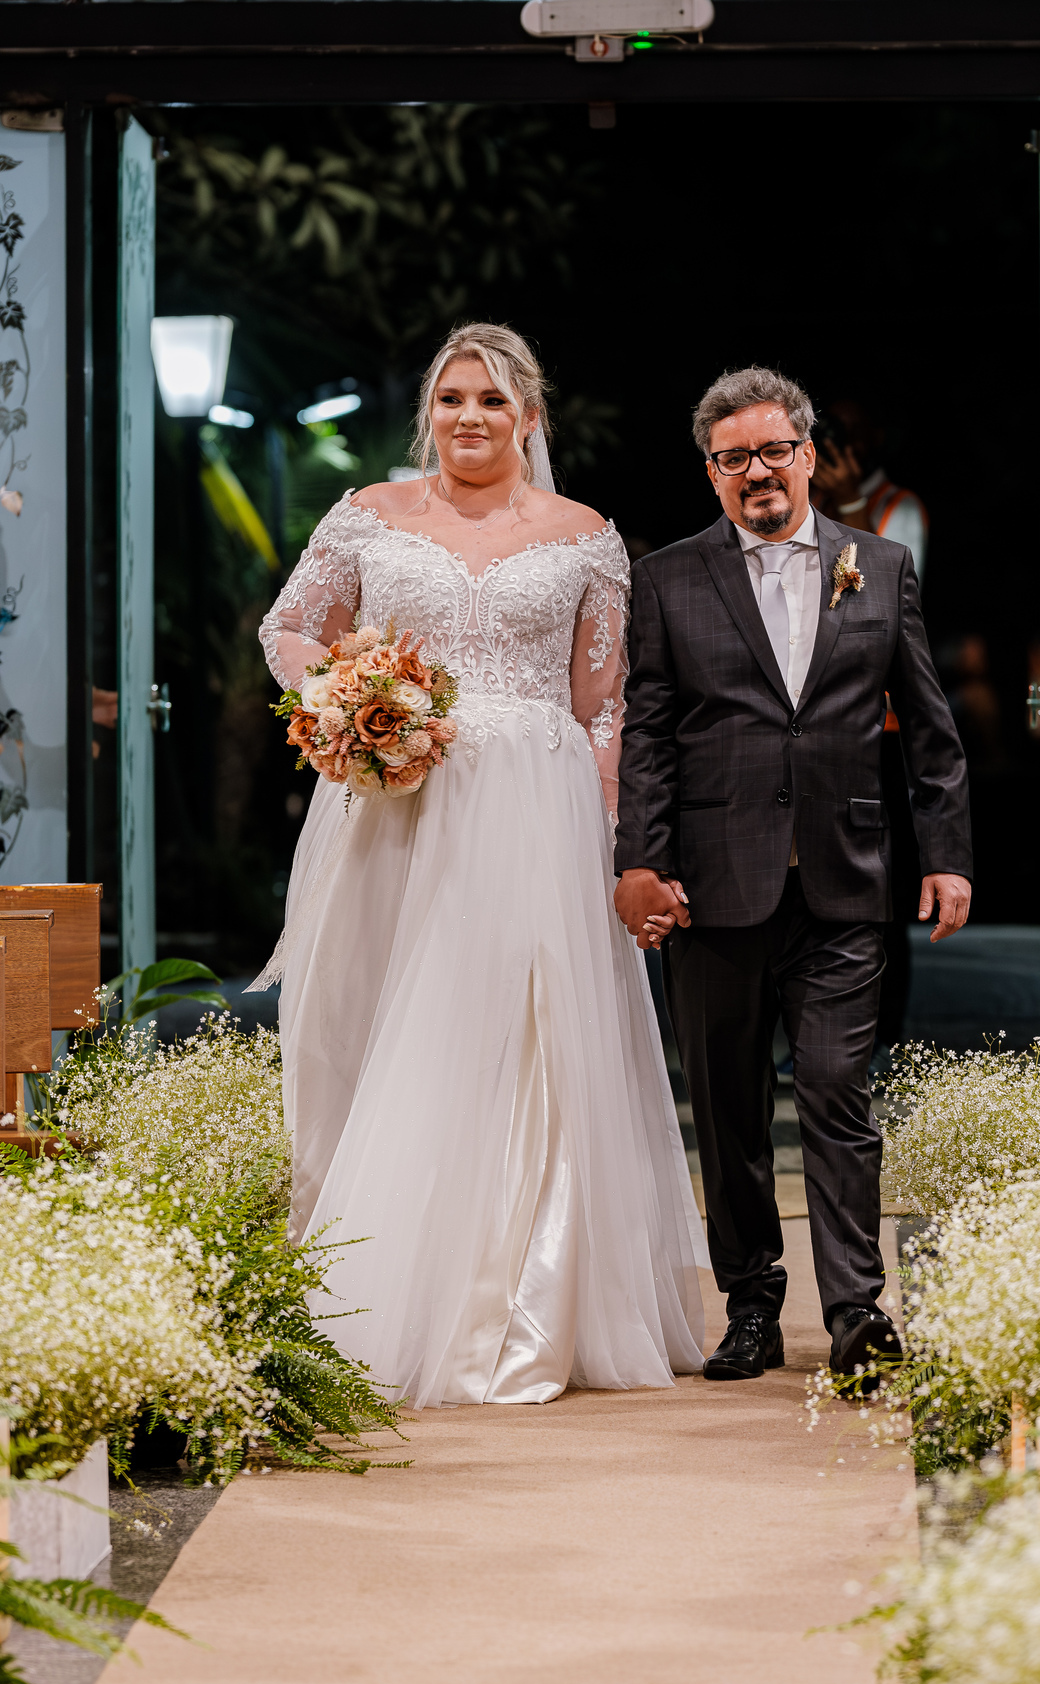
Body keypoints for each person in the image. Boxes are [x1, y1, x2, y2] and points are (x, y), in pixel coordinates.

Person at [253, 322, 706, 1408]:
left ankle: (519, 1301)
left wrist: (608, 833)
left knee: (527, 1042)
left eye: (494, 402)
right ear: (430, 414)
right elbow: (289, 633)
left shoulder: (588, 537)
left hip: (537, 811)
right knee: (382, 1022)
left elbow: (607, 706)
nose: (470, 417)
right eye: (453, 398)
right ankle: (373, 1289)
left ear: (529, 418)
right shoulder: (368, 516)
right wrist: (352, 699)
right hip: (396, 804)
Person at [613, 367, 972, 1382]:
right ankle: (753, 1307)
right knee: (726, 1109)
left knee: (835, 1091)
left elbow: (933, 737)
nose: (758, 472)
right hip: (713, 886)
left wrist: (946, 858)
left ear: (810, 455)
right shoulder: (671, 578)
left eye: (776, 451)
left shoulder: (882, 565)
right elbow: (647, 734)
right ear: (713, 472)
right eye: (735, 459)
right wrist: (640, 861)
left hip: (847, 883)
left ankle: (857, 1311)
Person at [809, 396, 929, 582]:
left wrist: (849, 500)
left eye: (854, 430)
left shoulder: (900, 504)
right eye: (835, 429)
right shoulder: (815, 495)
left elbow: (891, 588)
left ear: (876, 436)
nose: (843, 442)